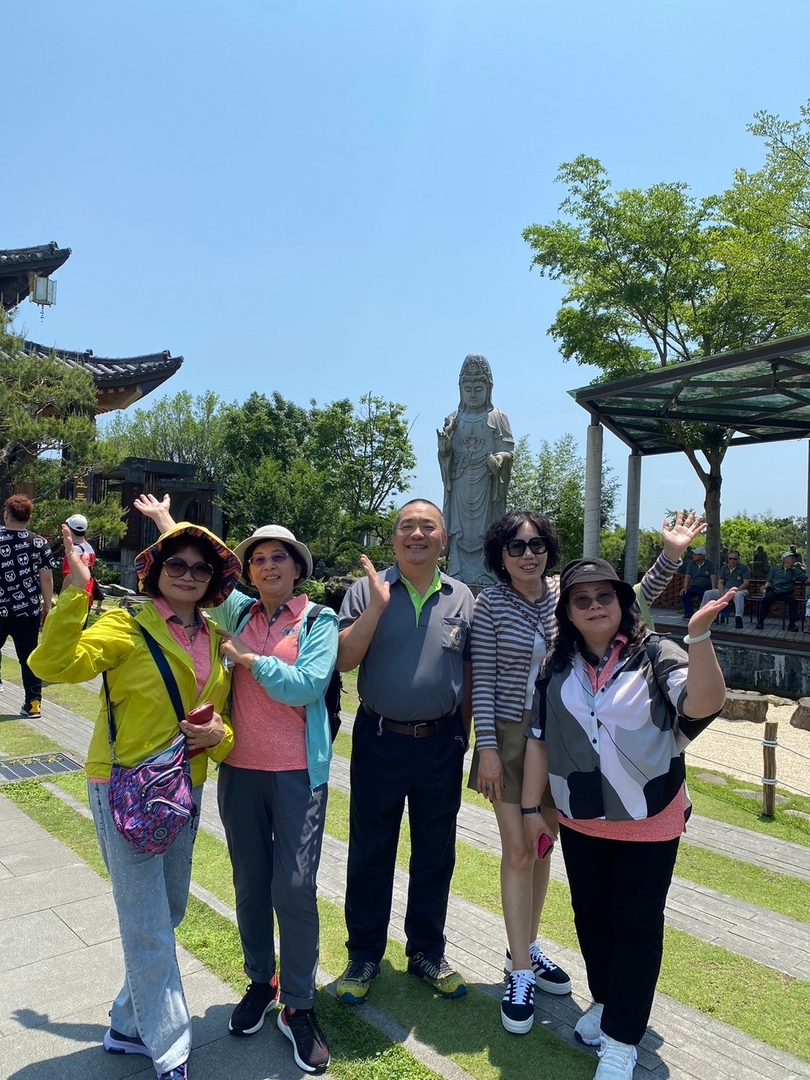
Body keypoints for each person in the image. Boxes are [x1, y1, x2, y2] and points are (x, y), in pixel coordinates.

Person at [470, 509, 706, 1034]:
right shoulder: (491, 605)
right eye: (515, 546)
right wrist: (486, 748)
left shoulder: (564, 593)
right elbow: (482, 680)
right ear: (500, 555)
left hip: (567, 736)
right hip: (511, 737)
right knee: (517, 849)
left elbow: (631, 601)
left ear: (549, 549)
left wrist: (671, 555)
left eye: (536, 544)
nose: (528, 554)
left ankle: (526, 945)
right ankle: (520, 970)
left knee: (543, 847)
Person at [29, 519, 239, 1080]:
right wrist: (76, 593)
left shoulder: (217, 639)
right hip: (124, 786)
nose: (188, 574)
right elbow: (51, 665)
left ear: (213, 579)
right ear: (156, 571)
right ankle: (171, 1051)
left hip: (183, 788)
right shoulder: (126, 623)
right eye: (177, 564)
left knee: (168, 911)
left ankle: (126, 1026)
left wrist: (217, 736)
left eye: (201, 567)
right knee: (147, 921)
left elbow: (224, 724)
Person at [136, 495, 336, 1075]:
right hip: (240, 770)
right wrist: (165, 522)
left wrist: (249, 660)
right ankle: (260, 982)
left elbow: (306, 686)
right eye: (258, 559)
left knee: (293, 888)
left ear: (298, 568)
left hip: (298, 773)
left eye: (280, 557)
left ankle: (298, 1005)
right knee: (249, 884)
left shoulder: (318, 620)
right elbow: (193, 567)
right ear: (247, 571)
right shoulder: (238, 611)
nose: (268, 566)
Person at [522, 559, 730, 1080]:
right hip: (581, 816)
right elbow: (538, 741)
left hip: (648, 817)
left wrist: (699, 637)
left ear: (621, 602)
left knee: (635, 926)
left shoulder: (657, 652)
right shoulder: (555, 665)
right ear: (568, 612)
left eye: (605, 596)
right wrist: (529, 809)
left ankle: (622, 1038)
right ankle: (606, 1000)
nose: (595, 606)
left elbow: (702, 703)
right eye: (582, 599)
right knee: (591, 919)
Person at [335, 499, 473, 1004]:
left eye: (427, 527)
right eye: (407, 526)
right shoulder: (366, 589)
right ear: (394, 538)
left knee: (435, 852)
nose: (417, 534)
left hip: (441, 742)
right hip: (380, 739)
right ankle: (364, 954)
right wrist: (376, 605)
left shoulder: (462, 597)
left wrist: (464, 736)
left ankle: (426, 951)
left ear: (444, 540)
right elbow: (344, 660)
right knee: (371, 851)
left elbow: (468, 670)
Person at [438, 354, 514, 585]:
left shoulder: (498, 417)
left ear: (488, 388)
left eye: (478, 389)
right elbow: (446, 454)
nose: (472, 394)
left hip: (486, 483)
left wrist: (498, 460)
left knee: (487, 529)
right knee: (458, 529)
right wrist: (445, 448)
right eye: (468, 388)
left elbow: (507, 450)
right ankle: (457, 571)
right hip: (459, 482)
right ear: (460, 389)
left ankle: (487, 572)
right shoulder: (454, 418)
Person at [0, 494, 56, 716]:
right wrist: (47, 606)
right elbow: (46, 578)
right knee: (29, 657)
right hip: (28, 609)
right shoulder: (39, 543)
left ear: (6, 514)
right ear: (29, 518)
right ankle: (33, 703)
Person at [755, 551, 808, 632]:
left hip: (787, 593)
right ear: (784, 559)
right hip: (774, 591)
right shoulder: (775, 569)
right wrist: (764, 587)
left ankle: (792, 624)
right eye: (791, 558)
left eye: (794, 558)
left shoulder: (795, 571)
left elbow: (807, 579)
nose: (794, 560)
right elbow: (769, 581)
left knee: (793, 601)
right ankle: (760, 621)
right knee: (766, 599)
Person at [700, 550, 750, 629]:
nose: (732, 560)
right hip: (727, 589)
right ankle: (702, 615)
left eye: (735, 559)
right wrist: (722, 595)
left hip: (740, 590)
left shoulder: (743, 568)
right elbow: (721, 582)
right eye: (730, 558)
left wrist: (735, 591)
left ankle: (738, 618)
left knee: (738, 595)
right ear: (727, 559)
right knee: (708, 593)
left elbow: (746, 582)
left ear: (738, 559)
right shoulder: (724, 568)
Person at [61, 513, 101, 611]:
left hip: (73, 597)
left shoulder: (73, 551)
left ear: (69, 529)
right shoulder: (89, 548)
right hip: (87, 594)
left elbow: (70, 576)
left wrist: (62, 596)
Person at [679, 546, 716, 619]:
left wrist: (713, 588)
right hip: (694, 587)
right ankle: (689, 614)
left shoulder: (710, 564)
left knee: (707, 595)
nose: (693, 556)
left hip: (706, 588)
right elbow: (688, 576)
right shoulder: (691, 564)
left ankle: (705, 615)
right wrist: (685, 588)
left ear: (702, 555)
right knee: (684, 595)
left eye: (695, 554)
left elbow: (713, 576)